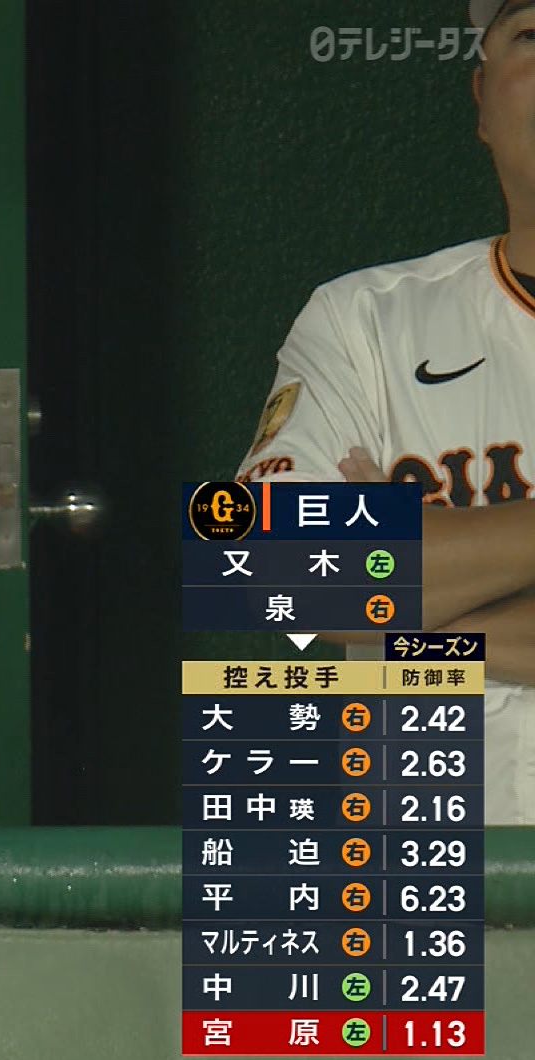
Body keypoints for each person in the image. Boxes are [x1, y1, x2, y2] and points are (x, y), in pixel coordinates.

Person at [235, 0, 535, 824]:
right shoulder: (362, 321)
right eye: (531, 37)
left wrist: (414, 590)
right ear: (481, 99)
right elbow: (276, 574)